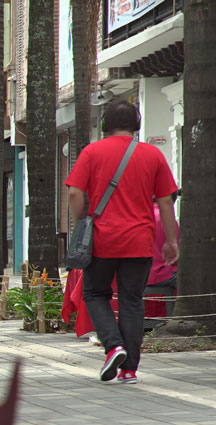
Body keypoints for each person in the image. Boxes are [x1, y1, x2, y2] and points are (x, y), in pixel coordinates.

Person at [66, 100, 178, 383]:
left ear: (105, 125)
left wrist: (81, 221)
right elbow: (165, 201)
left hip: (102, 240)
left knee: (94, 294)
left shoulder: (92, 152)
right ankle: (129, 369)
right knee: (131, 301)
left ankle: (112, 345)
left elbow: (74, 194)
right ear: (136, 125)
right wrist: (171, 241)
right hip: (139, 240)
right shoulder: (152, 154)